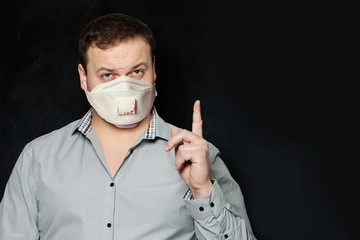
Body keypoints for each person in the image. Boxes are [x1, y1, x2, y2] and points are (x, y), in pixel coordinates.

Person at [0, 13, 256, 240]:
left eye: (136, 72)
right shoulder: (38, 158)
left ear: (153, 69)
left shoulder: (201, 157)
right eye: (107, 75)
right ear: (83, 77)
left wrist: (202, 191)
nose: (124, 89)